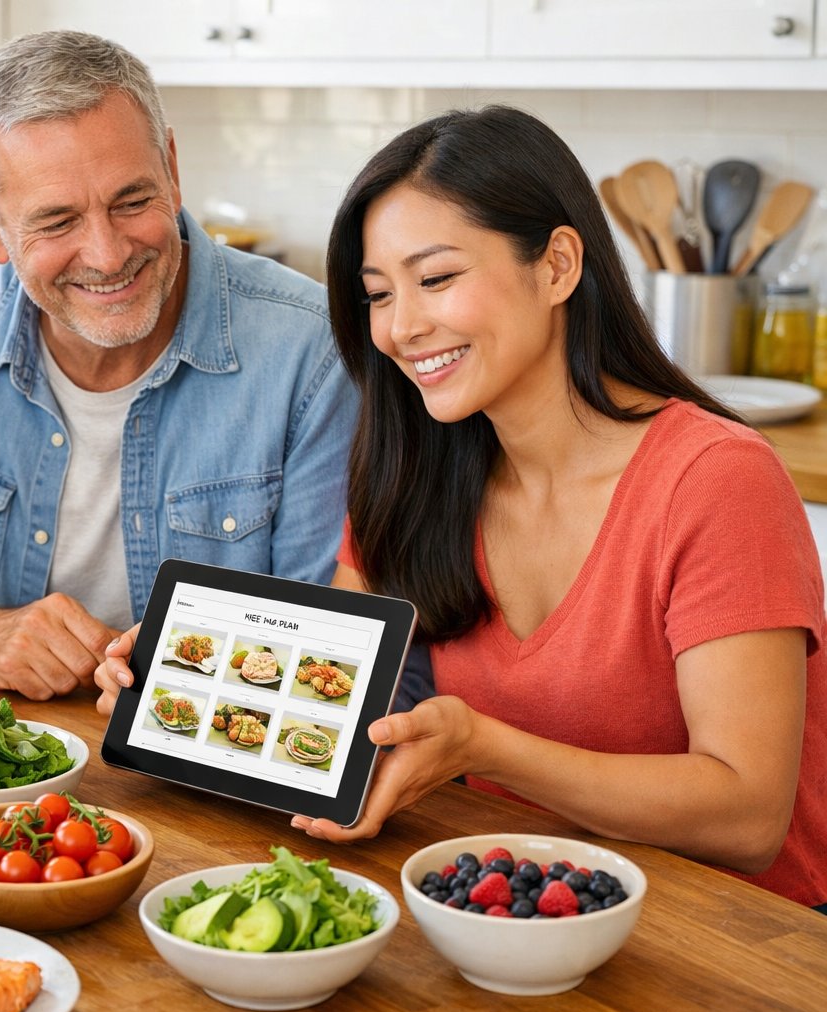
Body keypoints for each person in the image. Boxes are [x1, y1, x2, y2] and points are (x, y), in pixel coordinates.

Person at [107, 105, 826, 908]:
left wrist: (484, 747)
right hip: (512, 906)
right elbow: (331, 702)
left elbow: (748, 815)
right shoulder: (417, 469)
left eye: (437, 278)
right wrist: (189, 682)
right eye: (378, 294)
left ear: (557, 266)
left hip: (739, 941)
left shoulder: (717, 480)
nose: (403, 326)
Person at [0, 31, 359, 700]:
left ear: (171, 166)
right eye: (57, 222)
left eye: (132, 201)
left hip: (216, 781)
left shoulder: (312, 349)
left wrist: (190, 673)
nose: (108, 255)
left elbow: (335, 644)